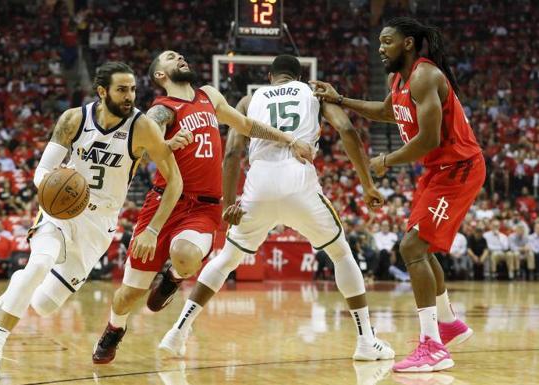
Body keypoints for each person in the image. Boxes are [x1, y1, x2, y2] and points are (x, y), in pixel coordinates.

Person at [157, 54, 394, 362]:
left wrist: (229, 206)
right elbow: (347, 131)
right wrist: (367, 184)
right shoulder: (315, 92)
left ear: (269, 77)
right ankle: (366, 341)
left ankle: (177, 332)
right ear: (298, 76)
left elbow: (231, 154)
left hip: (259, 184)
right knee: (340, 254)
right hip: (299, 180)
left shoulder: (248, 99)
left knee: (227, 258)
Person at [91, 51, 313, 364]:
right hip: (163, 203)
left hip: (203, 207)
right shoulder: (162, 110)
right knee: (129, 294)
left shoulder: (209, 95)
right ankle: (114, 328)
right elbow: (137, 147)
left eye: (181, 55)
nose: (180, 57)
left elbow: (247, 125)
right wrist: (165, 145)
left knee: (187, 256)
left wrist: (289, 139)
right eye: (171, 58)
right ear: (160, 75)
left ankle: (173, 278)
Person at [0, 61, 184, 381]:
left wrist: (153, 228)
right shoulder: (73, 119)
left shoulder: (142, 127)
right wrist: (56, 184)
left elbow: (175, 183)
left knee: (43, 305)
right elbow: (41, 172)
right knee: (40, 264)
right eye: (122, 90)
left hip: (99, 226)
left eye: (133, 90)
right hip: (61, 211)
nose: (130, 96)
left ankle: (19, 284)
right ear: (102, 92)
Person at [312, 17, 484, 372]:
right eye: (379, 42)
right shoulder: (400, 80)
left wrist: (386, 160)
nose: (380, 48)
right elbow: (387, 112)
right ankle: (449, 322)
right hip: (438, 172)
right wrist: (340, 99)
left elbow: (429, 139)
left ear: (407, 43)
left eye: (387, 41)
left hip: (459, 169)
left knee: (412, 247)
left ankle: (433, 346)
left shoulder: (425, 76)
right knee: (416, 245)